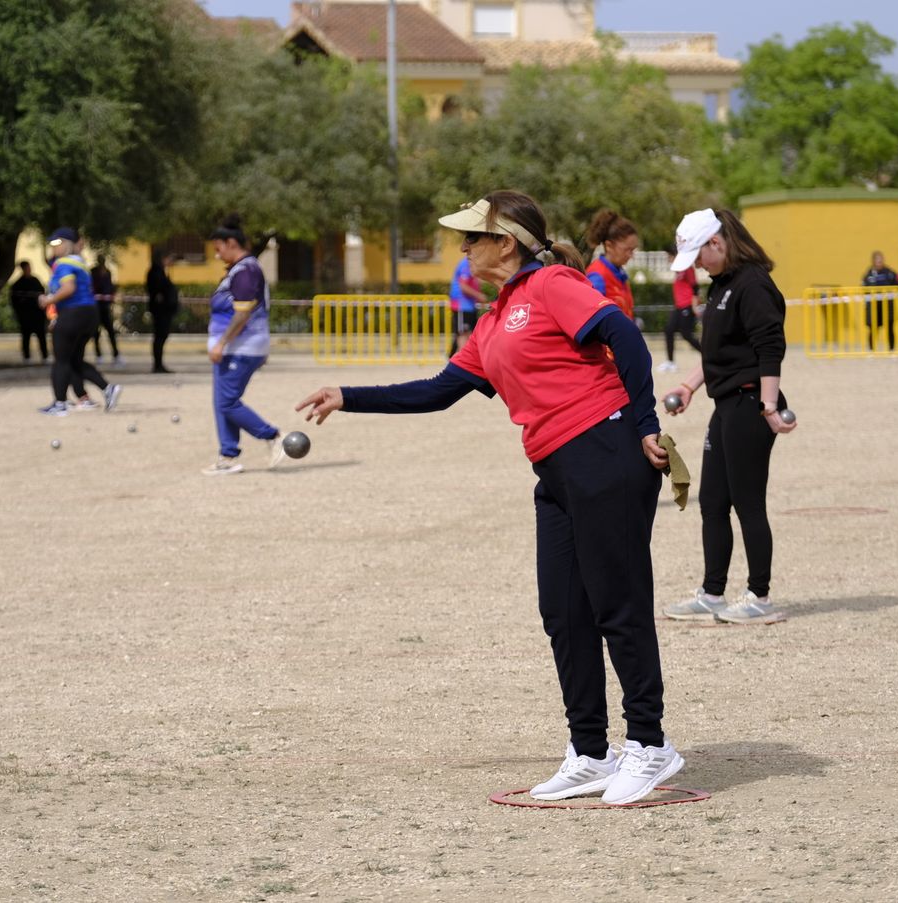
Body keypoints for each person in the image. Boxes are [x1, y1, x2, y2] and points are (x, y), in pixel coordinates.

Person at [296, 191, 680, 805]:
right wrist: (348, 394)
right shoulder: (494, 319)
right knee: (564, 612)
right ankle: (589, 751)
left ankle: (651, 743)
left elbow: (624, 337)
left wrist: (644, 426)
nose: (463, 248)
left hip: (606, 451)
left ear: (506, 241)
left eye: (472, 238)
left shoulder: (552, 282)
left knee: (618, 605)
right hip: (556, 471)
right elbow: (437, 390)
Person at [661, 208, 796, 626]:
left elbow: (770, 347)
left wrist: (770, 406)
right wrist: (688, 385)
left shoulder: (752, 283)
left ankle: (759, 595)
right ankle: (712, 592)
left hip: (751, 403)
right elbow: (719, 354)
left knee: (747, 502)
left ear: (717, 243)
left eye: (699, 256)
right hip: (726, 405)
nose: (697, 266)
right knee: (714, 502)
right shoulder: (722, 286)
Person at [202, 215, 282, 475]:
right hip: (233, 348)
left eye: (218, 249)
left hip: (240, 348)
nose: (217, 256)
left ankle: (272, 436)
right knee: (222, 402)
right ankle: (228, 455)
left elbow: (243, 313)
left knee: (226, 403)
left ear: (231, 243)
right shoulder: (239, 270)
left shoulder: (246, 270)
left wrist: (221, 343)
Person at [37, 228, 121, 416]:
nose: (53, 248)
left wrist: (49, 300)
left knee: (61, 360)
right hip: (89, 315)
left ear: (67, 244)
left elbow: (69, 288)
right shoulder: (81, 263)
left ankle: (59, 404)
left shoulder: (63, 264)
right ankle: (108, 389)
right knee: (74, 360)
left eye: (57, 244)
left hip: (72, 314)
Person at [583, 208, 638, 320]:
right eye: (627, 250)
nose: (631, 255)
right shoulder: (597, 276)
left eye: (633, 250)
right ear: (609, 246)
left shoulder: (620, 275)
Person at [663, 256, 702, 372]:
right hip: (679, 306)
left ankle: (708, 355)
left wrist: (695, 305)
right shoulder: (678, 270)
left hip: (688, 305)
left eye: (669, 256)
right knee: (669, 330)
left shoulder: (688, 268)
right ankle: (670, 362)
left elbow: (695, 287)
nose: (668, 259)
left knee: (686, 334)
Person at [146, 249, 180, 373]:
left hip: (164, 310)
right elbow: (159, 291)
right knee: (159, 337)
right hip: (160, 311)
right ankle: (157, 364)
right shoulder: (156, 273)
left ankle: (159, 364)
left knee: (161, 337)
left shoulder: (161, 272)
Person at [9, 261, 49, 363]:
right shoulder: (18, 284)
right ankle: (27, 357)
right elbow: (15, 301)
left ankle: (45, 356)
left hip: (37, 315)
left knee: (41, 335)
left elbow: (42, 295)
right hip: (25, 316)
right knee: (26, 336)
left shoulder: (36, 281)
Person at [862, 251, 898, 351]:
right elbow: (864, 288)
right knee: (873, 328)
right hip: (873, 306)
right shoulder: (869, 274)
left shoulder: (889, 273)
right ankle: (871, 350)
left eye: (881, 260)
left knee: (889, 327)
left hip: (887, 305)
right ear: (873, 261)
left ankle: (892, 349)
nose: (880, 262)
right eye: (878, 260)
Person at [447, 255, 484, 357]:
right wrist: (479, 295)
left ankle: (458, 358)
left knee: (467, 333)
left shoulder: (472, 263)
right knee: (463, 333)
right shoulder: (466, 264)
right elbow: (463, 286)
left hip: (468, 305)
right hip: (462, 305)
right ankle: (461, 361)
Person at [90, 257, 124, 367]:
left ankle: (116, 354)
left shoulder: (107, 272)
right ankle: (99, 355)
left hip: (105, 306)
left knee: (110, 331)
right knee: (96, 332)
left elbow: (108, 287)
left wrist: (112, 293)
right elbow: (94, 287)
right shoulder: (93, 272)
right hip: (96, 307)